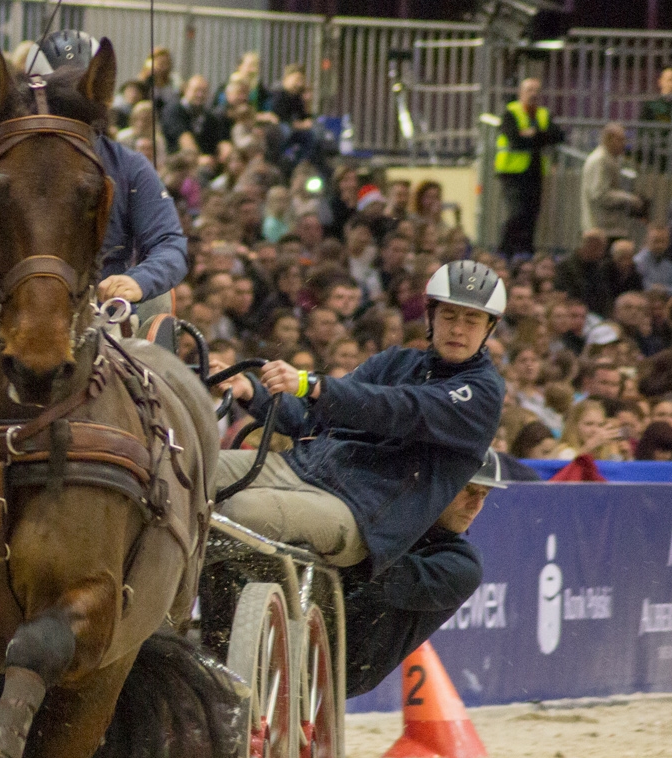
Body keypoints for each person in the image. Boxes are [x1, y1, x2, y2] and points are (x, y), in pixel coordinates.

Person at [217, 260, 505, 575]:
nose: (458, 329)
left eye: (472, 320)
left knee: (237, 509)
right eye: (448, 315)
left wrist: (311, 384)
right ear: (430, 316)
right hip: (301, 468)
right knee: (189, 471)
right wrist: (252, 393)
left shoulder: (482, 392)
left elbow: (400, 409)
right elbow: (310, 417)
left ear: (489, 327)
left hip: (360, 514)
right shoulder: (394, 361)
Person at [0, 30, 188, 314]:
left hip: (105, 312)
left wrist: (139, 280)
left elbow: (169, 244)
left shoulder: (130, 166)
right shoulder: (7, 161)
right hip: (7, 305)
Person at [343, 449, 506, 697]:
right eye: (469, 490)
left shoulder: (462, 565)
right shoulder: (389, 518)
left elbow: (377, 579)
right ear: (437, 486)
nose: (475, 505)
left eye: (483, 495)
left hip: (348, 665)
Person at [495, 78, 564, 257]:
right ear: (521, 93)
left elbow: (558, 135)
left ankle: (526, 252)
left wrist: (531, 135)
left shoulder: (543, 113)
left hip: (535, 172)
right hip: (512, 172)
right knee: (516, 213)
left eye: (536, 90)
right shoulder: (511, 112)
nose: (533, 94)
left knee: (532, 214)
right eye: (529, 90)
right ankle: (505, 251)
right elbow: (515, 140)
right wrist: (539, 137)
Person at [580, 124, 644, 240]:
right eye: (620, 139)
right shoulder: (600, 160)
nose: (624, 144)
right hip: (600, 227)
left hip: (608, 225)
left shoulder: (609, 159)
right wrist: (629, 199)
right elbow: (600, 194)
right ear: (608, 139)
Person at [634, 225, 672, 295]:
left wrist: (665, 290)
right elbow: (643, 287)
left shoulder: (667, 264)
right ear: (647, 241)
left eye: (663, 241)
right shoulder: (638, 262)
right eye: (656, 241)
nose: (660, 245)